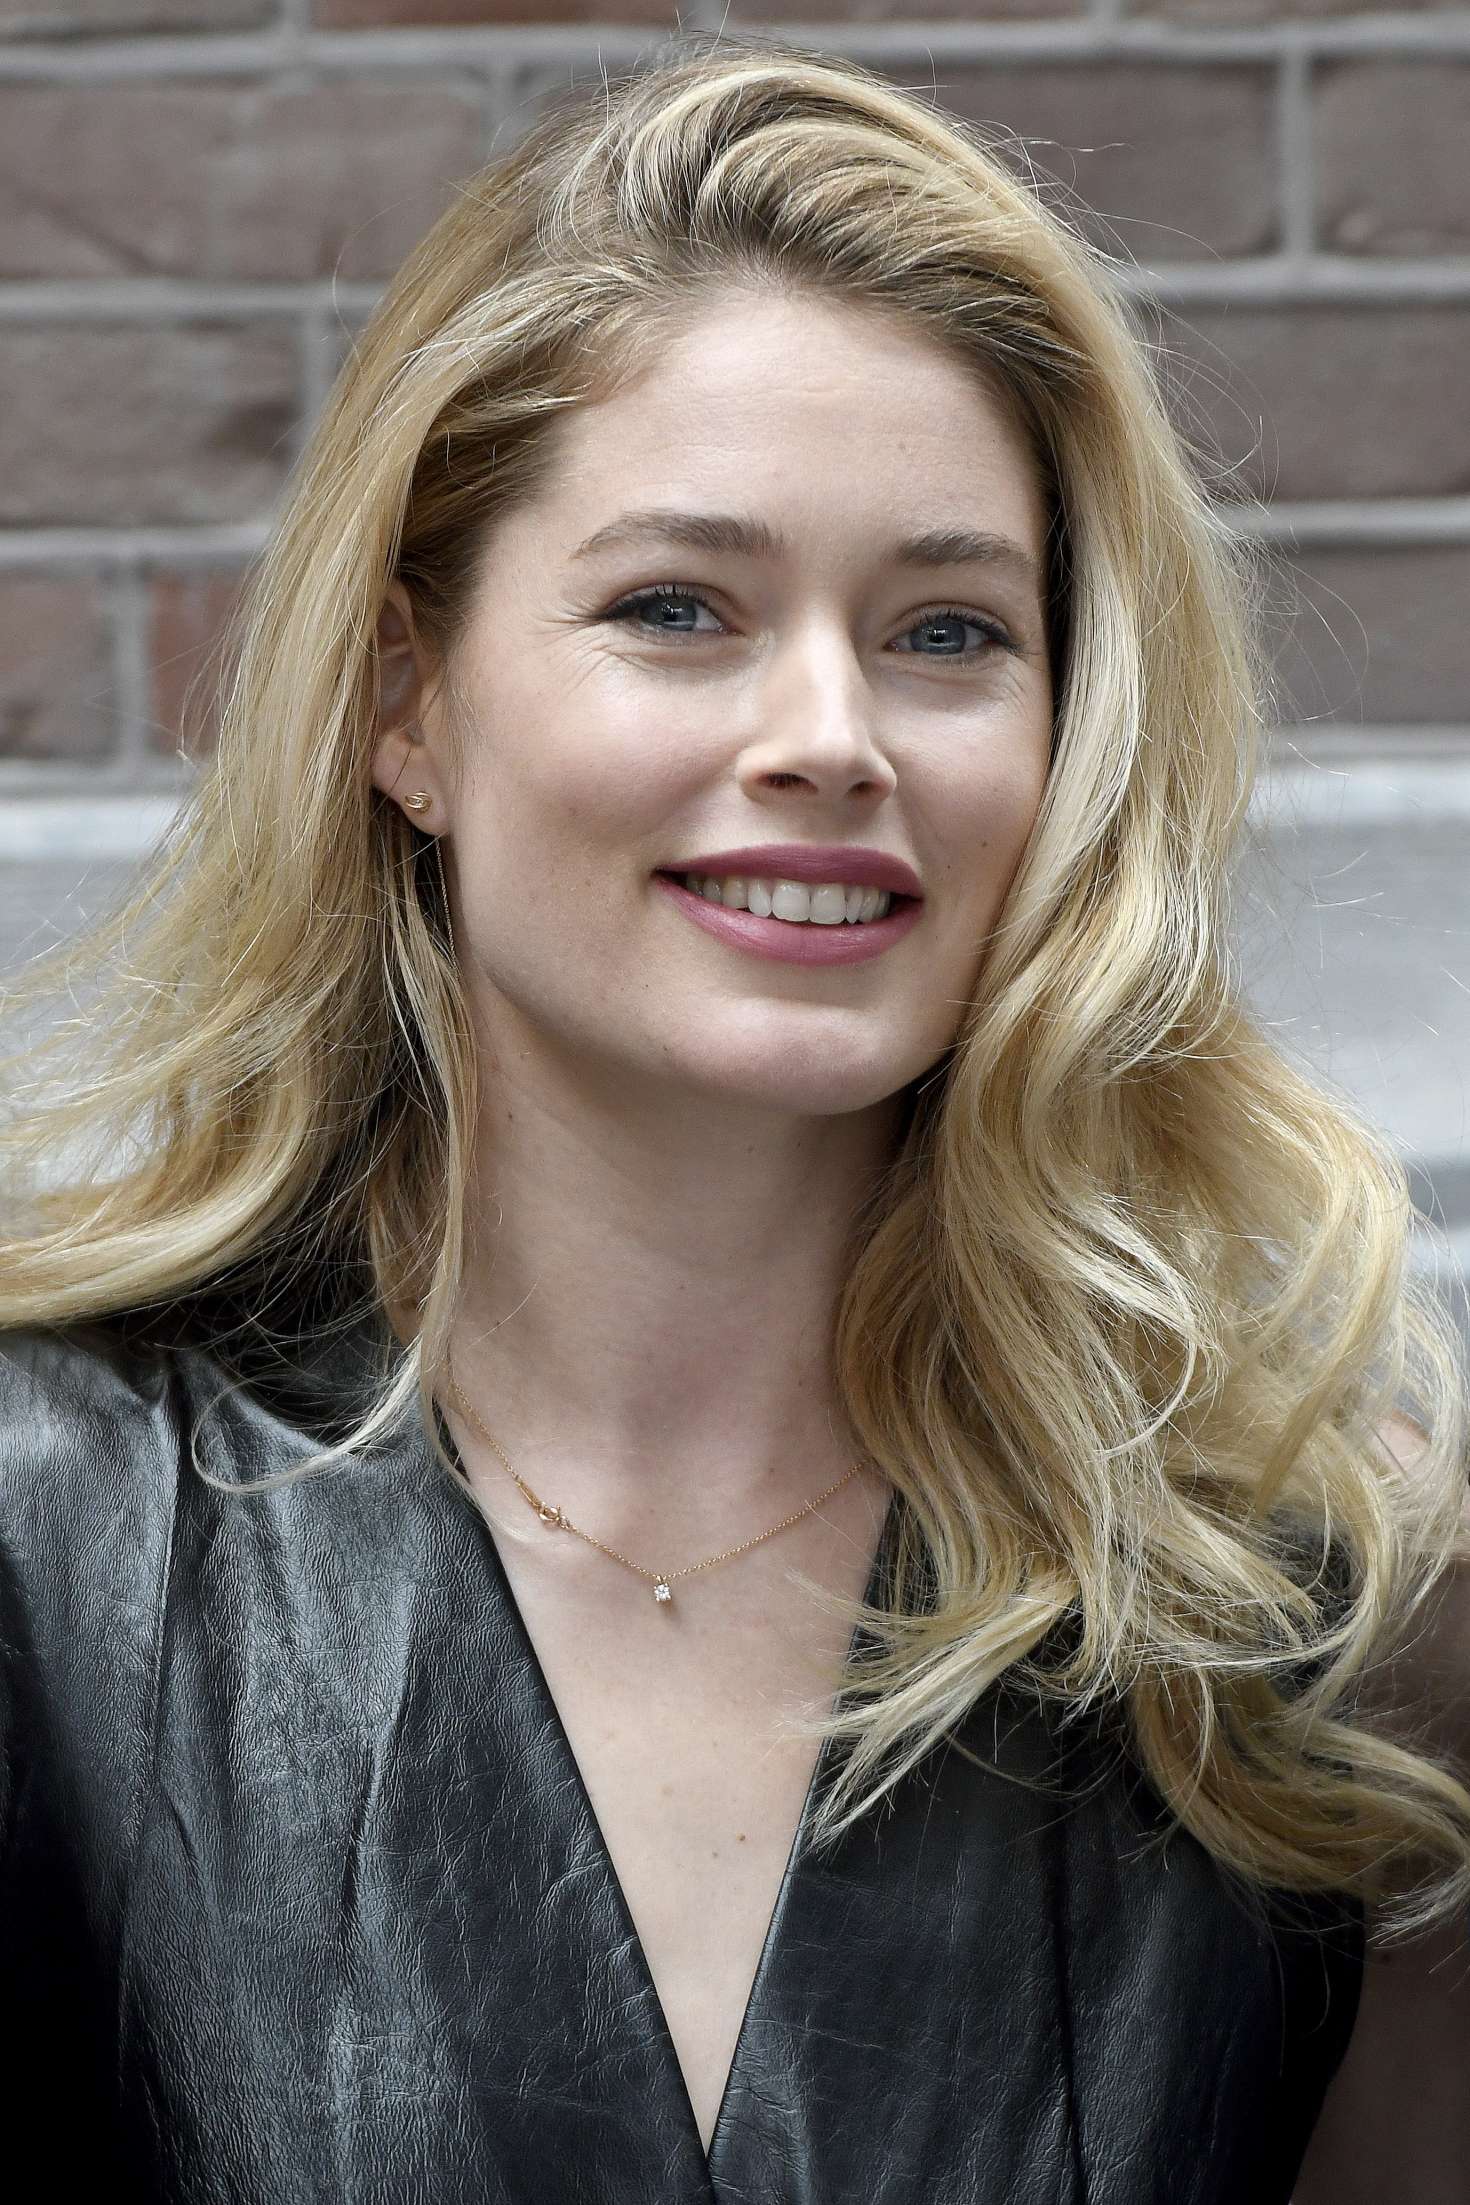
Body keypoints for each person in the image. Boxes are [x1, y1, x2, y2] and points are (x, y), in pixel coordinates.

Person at [0, 28, 1466, 2203]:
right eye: (677, 608)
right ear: (407, 701)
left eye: (947, 629)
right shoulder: (47, 1543)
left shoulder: (1306, 1609)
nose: (830, 734)